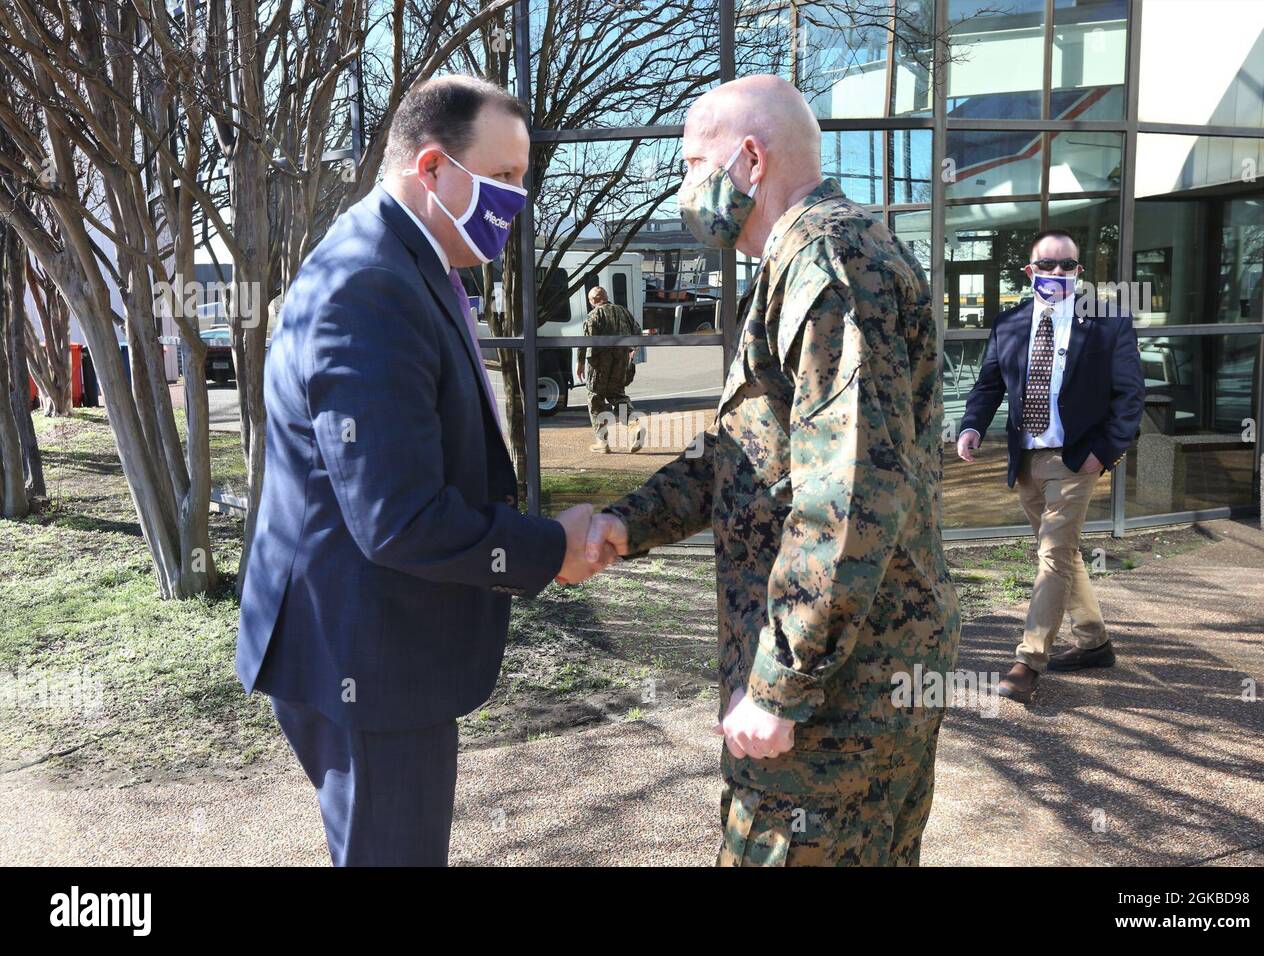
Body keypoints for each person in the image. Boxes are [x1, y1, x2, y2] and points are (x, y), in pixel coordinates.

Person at [584, 75, 960, 866]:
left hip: (841, 697)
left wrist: (783, 683)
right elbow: (747, 455)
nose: (688, 188)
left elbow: (849, 494)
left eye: (694, 163)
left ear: (749, 160)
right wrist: (625, 523)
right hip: (854, 673)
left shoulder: (829, 262)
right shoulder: (803, 260)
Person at [235, 75, 601, 866]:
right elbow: (397, 517)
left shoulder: (403, 259)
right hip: (363, 658)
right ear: (430, 168)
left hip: (370, 641)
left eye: (523, 178)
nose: (519, 198)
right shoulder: (370, 283)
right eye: (502, 177)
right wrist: (548, 548)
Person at [956, 229, 1144, 704]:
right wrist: (971, 426)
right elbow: (988, 384)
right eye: (1048, 265)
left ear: (1078, 272)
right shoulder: (1010, 323)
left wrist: (1105, 453)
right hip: (1026, 460)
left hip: (1075, 460)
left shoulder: (1107, 324)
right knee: (1061, 554)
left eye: (1067, 266)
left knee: (1053, 555)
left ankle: (1029, 661)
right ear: (1030, 270)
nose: (1057, 273)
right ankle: (1094, 641)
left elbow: (1130, 396)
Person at [576, 286, 643, 453]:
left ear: (592, 301)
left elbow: (587, 342)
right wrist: (633, 349)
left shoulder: (594, 315)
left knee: (595, 399)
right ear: (606, 297)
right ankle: (634, 427)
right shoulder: (623, 311)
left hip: (599, 365)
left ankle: (602, 442)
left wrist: (580, 362)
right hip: (620, 363)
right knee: (617, 395)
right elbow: (637, 331)